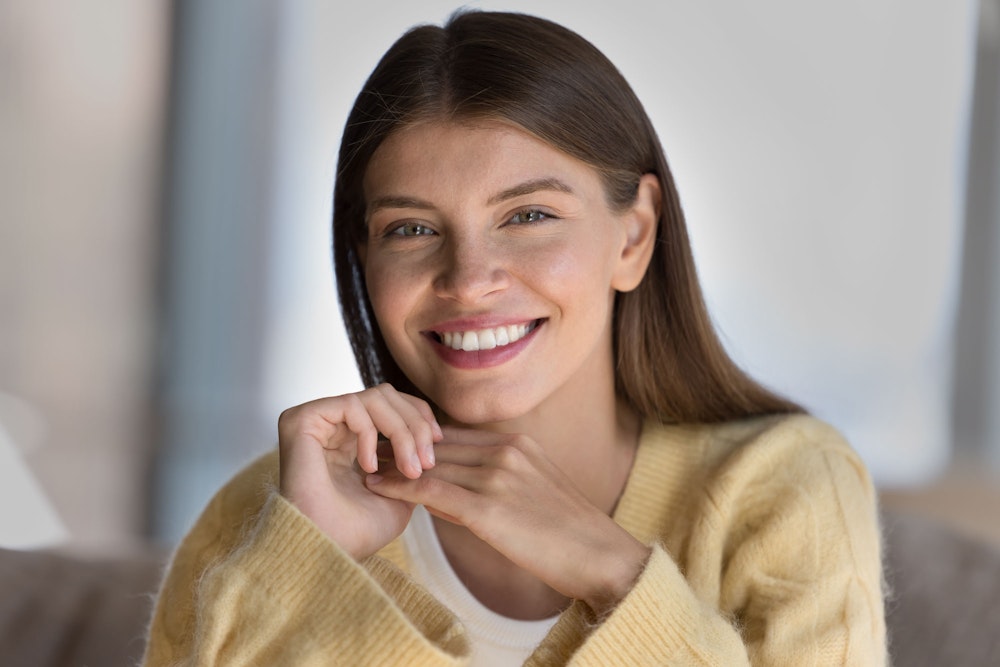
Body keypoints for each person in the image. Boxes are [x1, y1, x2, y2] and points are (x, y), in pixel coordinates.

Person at [143, 10, 887, 666]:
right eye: (411, 229)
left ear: (634, 235)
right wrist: (308, 567)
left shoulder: (785, 488)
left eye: (528, 215)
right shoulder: (272, 514)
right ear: (364, 259)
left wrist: (610, 568)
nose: (468, 280)